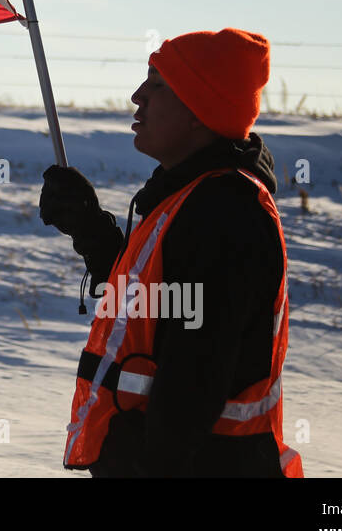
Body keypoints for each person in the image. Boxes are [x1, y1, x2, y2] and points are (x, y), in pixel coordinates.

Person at [40, 28, 303, 477]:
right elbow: (148, 309)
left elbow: (192, 382)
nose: (137, 96)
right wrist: (90, 229)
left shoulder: (224, 214)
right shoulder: (190, 198)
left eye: (157, 85)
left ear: (200, 109)